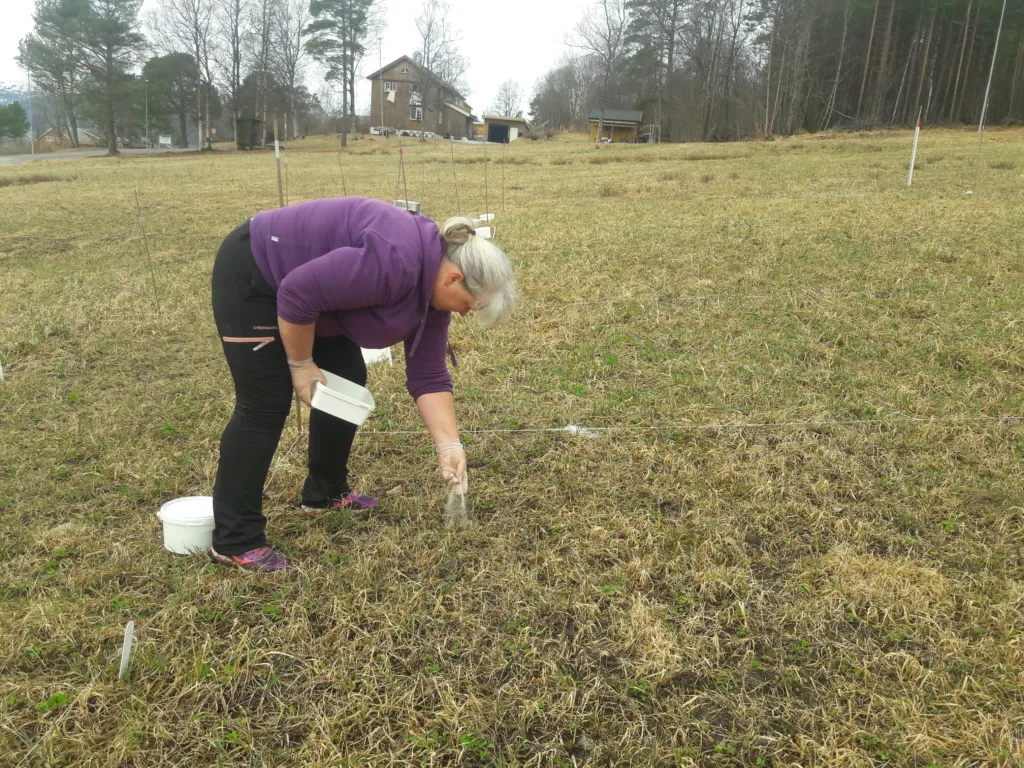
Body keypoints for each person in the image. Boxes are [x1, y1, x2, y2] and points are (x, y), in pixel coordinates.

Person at [209, 197, 516, 571]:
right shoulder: (397, 260)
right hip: (256, 272)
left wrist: (449, 444)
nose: (466, 313)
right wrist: (302, 364)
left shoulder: (432, 292)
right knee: (264, 405)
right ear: (454, 278)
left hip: (318, 301)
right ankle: (235, 538)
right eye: (471, 305)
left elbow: (429, 374)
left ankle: (324, 492)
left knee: (347, 378)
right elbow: (297, 292)